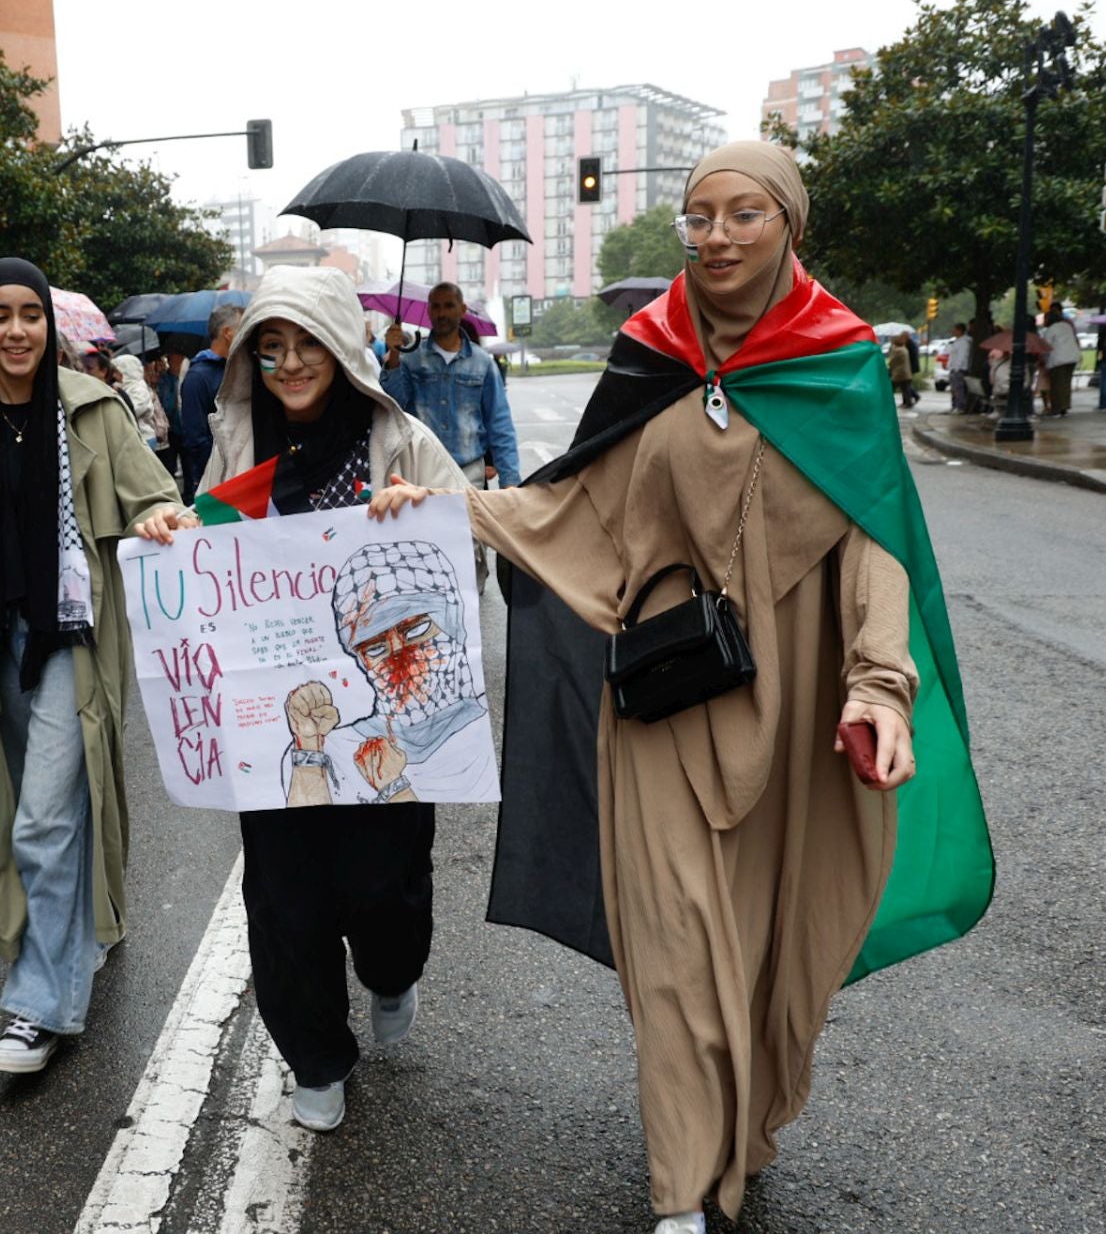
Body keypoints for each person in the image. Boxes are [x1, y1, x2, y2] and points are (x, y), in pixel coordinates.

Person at [372, 142, 989, 1234]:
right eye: (699, 216)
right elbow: (577, 507)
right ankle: (682, 1187)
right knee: (672, 945)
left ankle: (746, 1125)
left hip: (798, 708)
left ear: (788, 225)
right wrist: (447, 507)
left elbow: (876, 543)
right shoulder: (651, 352)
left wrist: (880, 686)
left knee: (778, 951)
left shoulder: (839, 362)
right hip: (660, 703)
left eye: (744, 213)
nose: (716, 236)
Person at [139, 265, 465, 1132]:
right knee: (285, 901)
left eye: (308, 342)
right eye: (271, 347)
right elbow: (206, 544)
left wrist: (429, 511)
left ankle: (392, 973)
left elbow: (466, 558)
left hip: (385, 719)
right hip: (275, 727)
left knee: (382, 891)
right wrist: (173, 528)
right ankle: (316, 1057)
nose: (289, 363)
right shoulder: (240, 444)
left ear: (345, 347)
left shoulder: (404, 441)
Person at [0, 258, 183, 1075]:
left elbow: (154, 496)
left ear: (49, 326)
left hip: (72, 637)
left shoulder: (92, 410)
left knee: (43, 820)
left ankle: (39, 1008)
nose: (17, 330)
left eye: (31, 314)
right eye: (0, 315)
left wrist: (159, 517)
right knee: (34, 802)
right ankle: (92, 926)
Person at [380, 282, 522, 586]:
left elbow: (500, 424)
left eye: (448, 305)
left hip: (468, 474)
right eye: (436, 306)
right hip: (422, 472)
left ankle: (470, 603)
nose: (442, 313)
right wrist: (393, 356)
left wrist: (510, 483)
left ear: (462, 310)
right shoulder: (411, 359)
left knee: (469, 549)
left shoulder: (483, 363)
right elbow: (393, 407)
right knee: (425, 551)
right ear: (428, 311)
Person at [178, 304, 242, 501]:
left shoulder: (239, 368)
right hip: (215, 479)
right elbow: (195, 437)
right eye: (243, 327)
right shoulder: (198, 377)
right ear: (228, 333)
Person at [1038, 310, 1081, 416]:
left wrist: (1044, 359)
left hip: (1058, 359)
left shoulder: (1051, 330)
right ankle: (1065, 406)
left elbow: (1047, 346)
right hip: (1072, 357)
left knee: (1056, 385)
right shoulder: (1067, 326)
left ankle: (1056, 408)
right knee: (1066, 384)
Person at [944, 322, 973, 413]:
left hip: (959, 369)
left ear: (960, 331)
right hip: (953, 368)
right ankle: (954, 405)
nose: (952, 331)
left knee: (958, 389)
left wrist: (957, 368)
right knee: (954, 389)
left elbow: (962, 356)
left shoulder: (963, 342)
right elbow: (951, 353)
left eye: (955, 329)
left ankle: (960, 406)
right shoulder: (957, 341)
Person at [887, 330, 918, 407]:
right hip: (905, 372)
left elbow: (892, 361)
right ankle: (908, 402)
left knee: (894, 388)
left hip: (900, 373)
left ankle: (888, 401)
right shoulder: (903, 349)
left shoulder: (898, 351)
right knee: (905, 388)